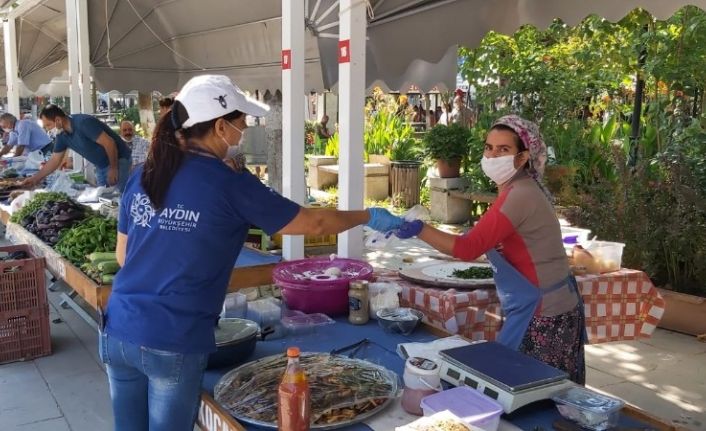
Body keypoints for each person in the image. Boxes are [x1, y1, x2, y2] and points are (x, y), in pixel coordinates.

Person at [100, 74, 400, 431]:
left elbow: (123, 256)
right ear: (220, 127)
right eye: (241, 123)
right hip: (172, 338)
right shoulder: (230, 183)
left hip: (118, 329)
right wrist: (368, 216)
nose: (243, 132)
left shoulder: (144, 174)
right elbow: (314, 223)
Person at [393, 115, 586, 384]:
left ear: (522, 158)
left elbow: (467, 248)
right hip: (542, 304)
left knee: (533, 393)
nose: (493, 155)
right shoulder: (516, 189)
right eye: (488, 147)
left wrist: (419, 229)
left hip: (544, 312)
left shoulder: (521, 195)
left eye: (503, 149)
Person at [22, 105, 132, 191]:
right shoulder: (61, 135)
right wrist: (35, 179)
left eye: (48, 125)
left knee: (120, 196)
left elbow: (110, 143)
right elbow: (55, 160)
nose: (47, 129)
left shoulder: (83, 123)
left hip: (118, 160)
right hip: (101, 165)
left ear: (58, 120)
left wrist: (113, 168)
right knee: (105, 197)